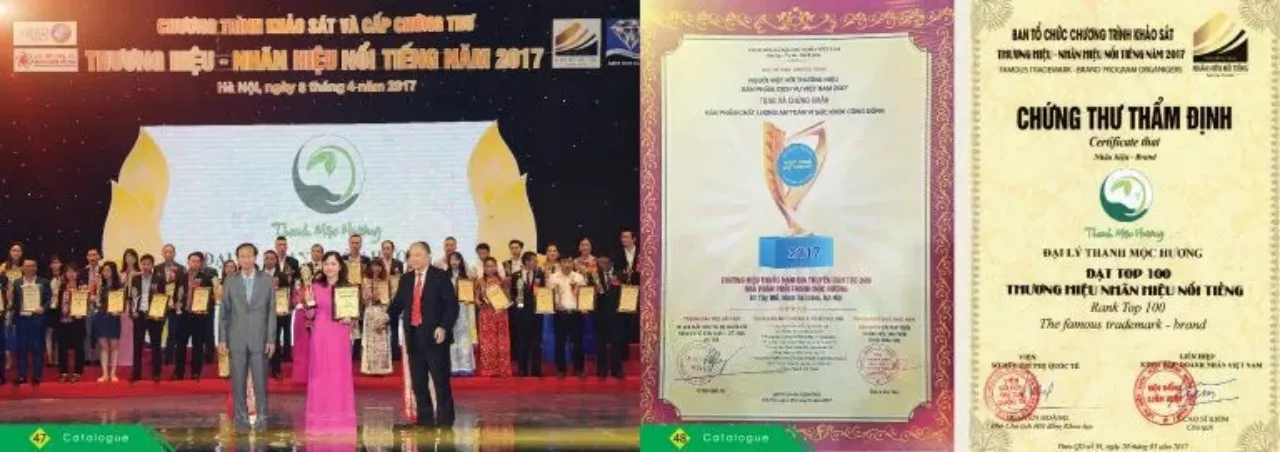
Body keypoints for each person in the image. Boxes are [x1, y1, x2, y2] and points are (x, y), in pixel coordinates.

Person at [387, 241, 460, 427]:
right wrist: (385, 317)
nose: (414, 258)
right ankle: (424, 419)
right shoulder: (406, 279)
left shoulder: (440, 276)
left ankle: (445, 420)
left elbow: (452, 306)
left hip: (435, 336)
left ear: (428, 256)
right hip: (413, 335)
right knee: (419, 383)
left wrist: (443, 327)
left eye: (418, 254)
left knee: (440, 381)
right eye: (411, 255)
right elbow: (397, 305)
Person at [217, 243, 276, 431]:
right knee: (238, 383)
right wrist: (222, 339)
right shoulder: (230, 281)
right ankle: (240, 420)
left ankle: (262, 419)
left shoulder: (267, 280)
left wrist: (271, 339)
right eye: (242, 256)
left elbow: (271, 311)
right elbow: (224, 313)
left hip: (260, 339)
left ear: (255, 257)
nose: (246, 259)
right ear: (238, 259)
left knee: (260, 383)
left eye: (249, 256)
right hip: (236, 339)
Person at [301, 250, 358, 437]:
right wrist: (309, 303)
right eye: (326, 264)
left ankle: (340, 419)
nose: (330, 267)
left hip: (340, 335)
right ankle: (320, 420)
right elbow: (310, 315)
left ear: (340, 266)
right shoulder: (315, 287)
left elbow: (354, 317)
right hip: (320, 334)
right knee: (320, 374)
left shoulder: (348, 288)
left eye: (333, 264)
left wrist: (351, 318)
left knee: (339, 375)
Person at [10, 258, 52, 385]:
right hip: (21, 320)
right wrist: (10, 301)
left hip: (37, 319)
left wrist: (43, 308)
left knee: (37, 348)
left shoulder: (44, 282)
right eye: (27, 266)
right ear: (22, 268)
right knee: (21, 349)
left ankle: (37, 376)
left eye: (33, 266)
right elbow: (14, 302)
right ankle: (22, 376)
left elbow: (49, 300)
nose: (30, 268)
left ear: (36, 268)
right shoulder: (16, 283)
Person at [174, 252, 214, 380]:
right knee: (181, 344)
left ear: (201, 263)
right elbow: (176, 293)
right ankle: (178, 372)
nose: (195, 263)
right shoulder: (181, 276)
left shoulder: (206, 278)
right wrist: (176, 305)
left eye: (197, 261)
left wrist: (204, 307)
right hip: (184, 314)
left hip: (198, 316)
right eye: (192, 261)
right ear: (188, 262)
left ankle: (196, 372)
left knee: (198, 345)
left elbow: (211, 297)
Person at [129, 254, 168, 382]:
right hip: (139, 314)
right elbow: (132, 297)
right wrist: (133, 312)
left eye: (148, 264)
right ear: (140, 265)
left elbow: (162, 297)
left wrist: (159, 314)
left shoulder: (159, 279)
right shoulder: (135, 279)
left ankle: (156, 373)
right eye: (143, 264)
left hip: (154, 315)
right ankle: (136, 374)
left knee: (156, 345)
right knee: (137, 345)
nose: (145, 266)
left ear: (152, 265)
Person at [547, 256, 585, 379]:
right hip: (560, 314)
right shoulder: (553, 278)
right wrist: (554, 304)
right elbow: (548, 295)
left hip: (576, 313)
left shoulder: (579, 277)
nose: (567, 264)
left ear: (572, 263)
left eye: (569, 261)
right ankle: (560, 370)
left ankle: (579, 369)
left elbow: (585, 295)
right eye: (564, 261)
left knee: (578, 343)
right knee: (560, 343)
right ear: (560, 263)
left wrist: (584, 305)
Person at [475, 257, 512, 377]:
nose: (489, 268)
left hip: (500, 313)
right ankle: (488, 368)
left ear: (496, 267)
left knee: (501, 339)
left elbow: (508, 297)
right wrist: (479, 303)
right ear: (484, 268)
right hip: (486, 314)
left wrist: (504, 302)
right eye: (487, 266)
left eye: (492, 266)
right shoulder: (479, 281)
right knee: (487, 340)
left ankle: (502, 368)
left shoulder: (503, 281)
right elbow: (476, 298)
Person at [511, 251, 544, 377]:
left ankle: (536, 370)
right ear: (526, 261)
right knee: (522, 341)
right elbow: (513, 293)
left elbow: (544, 292)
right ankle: (522, 369)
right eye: (534, 260)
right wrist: (516, 303)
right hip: (521, 313)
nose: (536, 263)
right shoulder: (516, 275)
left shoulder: (539, 274)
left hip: (536, 312)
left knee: (536, 341)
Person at [592, 256, 626, 379]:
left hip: (616, 315)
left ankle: (617, 370)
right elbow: (588, 293)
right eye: (599, 262)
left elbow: (627, 292)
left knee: (617, 343)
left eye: (604, 262)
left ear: (611, 263)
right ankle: (601, 371)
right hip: (600, 315)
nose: (602, 265)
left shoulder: (620, 275)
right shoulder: (594, 276)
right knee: (600, 344)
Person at [293, 244, 323, 385]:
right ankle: (302, 374)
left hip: (319, 315)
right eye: (313, 251)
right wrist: (300, 302)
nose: (316, 253)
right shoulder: (299, 285)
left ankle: (319, 373)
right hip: (301, 315)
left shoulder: (324, 275)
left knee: (319, 346)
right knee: (302, 345)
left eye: (318, 251)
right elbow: (294, 298)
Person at [444, 252, 475, 376]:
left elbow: (471, 295)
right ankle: (453, 366)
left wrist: (468, 298)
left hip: (463, 308)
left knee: (464, 335)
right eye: (452, 259)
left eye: (457, 259)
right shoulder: (444, 276)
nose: (454, 262)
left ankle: (466, 366)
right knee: (451, 336)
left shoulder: (466, 277)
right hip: (448, 308)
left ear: (461, 261)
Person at [91, 262, 123, 382]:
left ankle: (113, 373)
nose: (105, 273)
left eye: (108, 270)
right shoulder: (100, 286)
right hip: (101, 317)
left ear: (113, 272)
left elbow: (123, 303)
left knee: (114, 346)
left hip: (114, 318)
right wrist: (97, 290)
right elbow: (96, 302)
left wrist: (119, 310)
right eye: (104, 270)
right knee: (104, 347)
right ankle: (105, 374)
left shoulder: (119, 286)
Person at [56, 263, 88, 382]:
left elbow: (87, 305)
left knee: (79, 348)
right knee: (62, 348)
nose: (71, 274)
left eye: (73, 271)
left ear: (77, 273)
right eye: (68, 271)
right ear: (65, 273)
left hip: (77, 322)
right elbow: (56, 304)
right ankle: (63, 373)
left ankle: (77, 372)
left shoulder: (82, 287)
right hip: (63, 322)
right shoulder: (60, 287)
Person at [360, 259, 393, 376]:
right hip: (370, 311)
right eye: (373, 266)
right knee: (370, 340)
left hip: (383, 311)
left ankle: (383, 368)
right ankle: (369, 368)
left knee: (382, 340)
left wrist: (385, 306)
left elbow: (389, 297)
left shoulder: (386, 281)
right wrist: (370, 296)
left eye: (378, 266)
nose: (376, 268)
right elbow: (364, 300)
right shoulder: (365, 281)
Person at [273, 236, 300, 363]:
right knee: (276, 328)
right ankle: (276, 353)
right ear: (275, 246)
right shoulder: (271, 260)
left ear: (287, 246)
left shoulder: (293, 262)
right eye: (279, 245)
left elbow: (297, 280)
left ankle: (288, 354)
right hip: (275, 300)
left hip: (288, 299)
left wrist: (294, 298)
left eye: (284, 245)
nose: (282, 247)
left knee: (287, 327)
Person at [158, 244, 187, 365]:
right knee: (158, 331)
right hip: (160, 305)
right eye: (166, 252)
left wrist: (179, 302)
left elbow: (184, 287)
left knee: (172, 332)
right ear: (162, 253)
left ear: (174, 253)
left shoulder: (181, 268)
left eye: (170, 252)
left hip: (175, 306)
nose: (168, 254)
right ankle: (157, 357)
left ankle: (169, 357)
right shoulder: (157, 268)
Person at [117, 249, 140, 375]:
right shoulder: (121, 274)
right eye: (127, 256)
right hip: (122, 305)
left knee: (132, 333)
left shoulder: (140, 273)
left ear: (136, 259)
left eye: (132, 256)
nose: (129, 259)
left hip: (135, 305)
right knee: (122, 332)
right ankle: (121, 359)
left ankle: (131, 359)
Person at [82, 248, 103, 366]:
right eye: (90, 255)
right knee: (87, 332)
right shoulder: (82, 272)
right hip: (86, 306)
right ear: (87, 257)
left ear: (99, 257)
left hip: (100, 306)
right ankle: (87, 357)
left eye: (95, 255)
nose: (92, 258)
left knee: (99, 332)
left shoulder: (104, 271)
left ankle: (99, 357)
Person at [45, 254, 63, 370]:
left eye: (57, 263)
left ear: (61, 264)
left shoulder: (65, 278)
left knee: (59, 334)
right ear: (50, 266)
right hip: (49, 309)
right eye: (53, 263)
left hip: (61, 309)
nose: (55, 265)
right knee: (49, 333)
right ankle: (49, 358)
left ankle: (57, 358)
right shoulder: (46, 279)